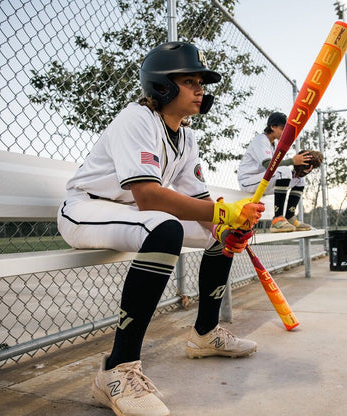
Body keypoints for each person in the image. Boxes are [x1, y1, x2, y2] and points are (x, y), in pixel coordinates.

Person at [57, 41, 264, 416]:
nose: (201, 89)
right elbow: (149, 196)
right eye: (190, 81)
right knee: (166, 227)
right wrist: (222, 213)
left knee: (216, 235)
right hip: (86, 210)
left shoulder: (186, 136)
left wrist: (228, 225)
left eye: (202, 82)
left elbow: (199, 203)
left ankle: (204, 334)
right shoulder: (136, 118)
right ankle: (117, 369)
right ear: (162, 86)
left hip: (138, 217)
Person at [237, 112, 312, 233]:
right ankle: (277, 220)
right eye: (283, 129)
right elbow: (268, 165)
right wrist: (292, 161)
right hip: (248, 181)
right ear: (272, 127)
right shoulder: (260, 140)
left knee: (299, 179)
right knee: (285, 171)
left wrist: (301, 171)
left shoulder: (274, 144)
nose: (285, 133)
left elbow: (275, 169)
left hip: (263, 181)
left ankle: (289, 217)